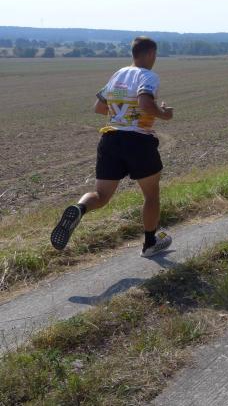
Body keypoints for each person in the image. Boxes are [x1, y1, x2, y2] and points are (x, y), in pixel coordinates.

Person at [50, 36, 174, 257]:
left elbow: (99, 107)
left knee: (101, 195)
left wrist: (121, 113)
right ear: (150, 54)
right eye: (155, 55)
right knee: (151, 195)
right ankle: (149, 244)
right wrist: (164, 113)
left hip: (110, 140)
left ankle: (79, 208)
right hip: (138, 141)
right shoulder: (148, 76)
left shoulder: (118, 75)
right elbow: (145, 102)